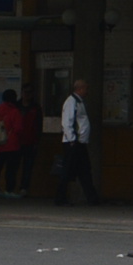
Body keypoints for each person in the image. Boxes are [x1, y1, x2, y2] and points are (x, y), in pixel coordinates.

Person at [52, 78, 99, 206]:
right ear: (80, 88)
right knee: (69, 170)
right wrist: (72, 139)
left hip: (80, 142)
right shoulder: (71, 102)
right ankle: (60, 197)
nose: (87, 91)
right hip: (74, 142)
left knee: (84, 170)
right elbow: (67, 122)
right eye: (86, 88)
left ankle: (92, 197)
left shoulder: (79, 102)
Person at [0, 87, 34, 196]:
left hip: (1, 143)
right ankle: (9, 190)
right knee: (11, 168)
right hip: (12, 144)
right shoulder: (15, 112)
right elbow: (19, 128)